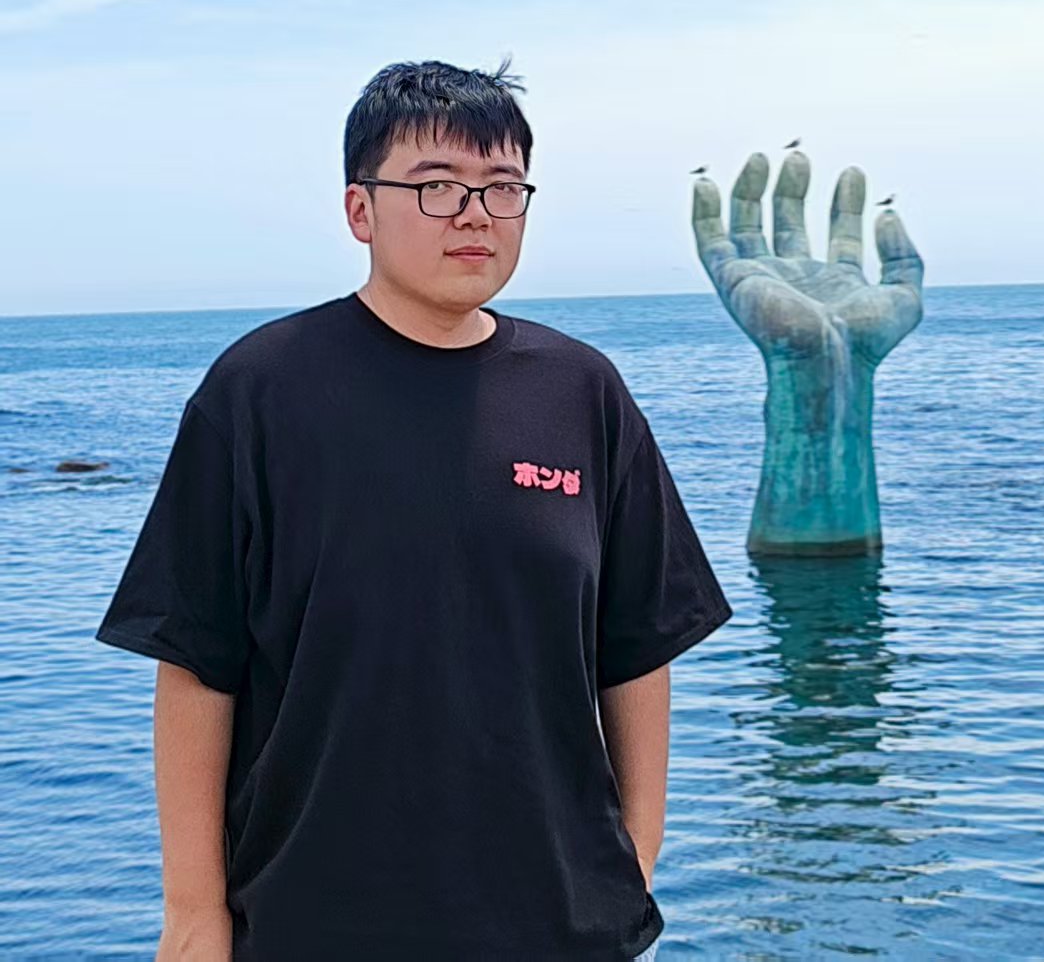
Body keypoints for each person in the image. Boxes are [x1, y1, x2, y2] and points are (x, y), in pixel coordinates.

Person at [95, 57, 733, 960]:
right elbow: (197, 663)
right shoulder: (261, 390)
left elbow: (636, 647)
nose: (474, 213)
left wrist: (636, 858)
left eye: (502, 186)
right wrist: (194, 912)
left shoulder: (581, 391)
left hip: (560, 922)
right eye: (436, 185)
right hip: (312, 920)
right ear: (360, 210)